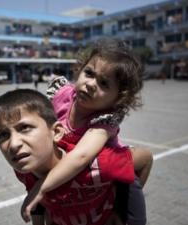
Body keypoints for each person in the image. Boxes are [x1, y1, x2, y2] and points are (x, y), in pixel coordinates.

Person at [22, 38, 153, 225]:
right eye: (89, 73)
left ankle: (122, 210)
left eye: (104, 84)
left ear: (119, 98)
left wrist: (41, 188)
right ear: (80, 69)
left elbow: (82, 156)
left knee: (130, 191)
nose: (91, 84)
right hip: (76, 180)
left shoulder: (106, 118)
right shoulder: (61, 97)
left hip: (109, 169)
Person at [0, 89, 135, 225]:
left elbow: (143, 160)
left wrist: (120, 210)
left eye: (25, 128)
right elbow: (35, 196)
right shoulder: (23, 169)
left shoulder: (96, 165)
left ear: (57, 132)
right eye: (3, 135)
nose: (13, 145)